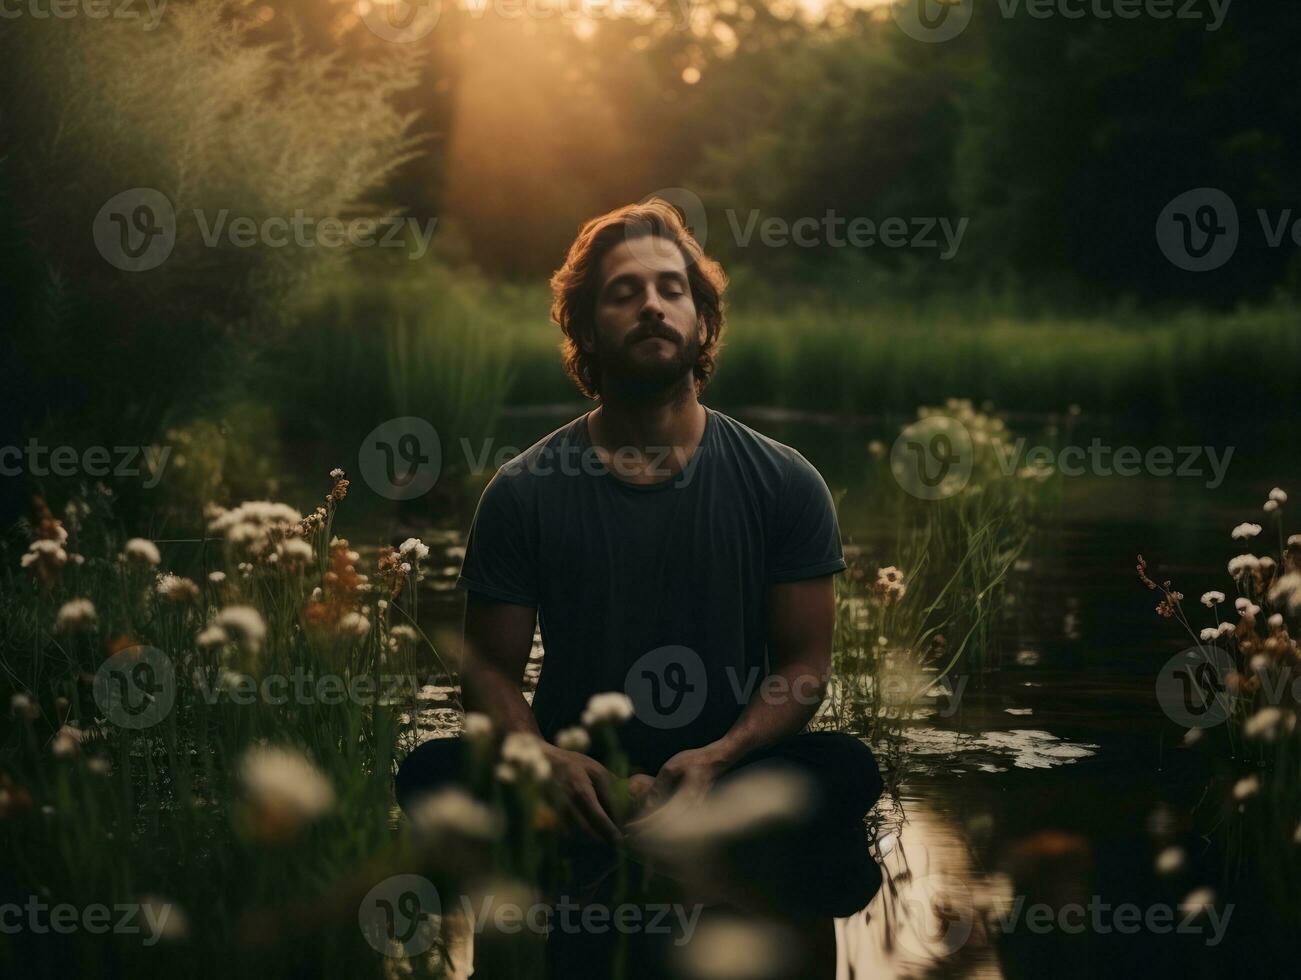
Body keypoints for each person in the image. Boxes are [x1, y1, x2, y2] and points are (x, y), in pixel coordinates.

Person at [396, 199, 883, 976]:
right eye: (624, 292)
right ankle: (621, 862)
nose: (651, 304)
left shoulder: (786, 481)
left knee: (846, 770)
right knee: (428, 773)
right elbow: (487, 669)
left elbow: (803, 667)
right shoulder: (523, 490)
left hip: (726, 780)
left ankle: (673, 867)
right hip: (576, 784)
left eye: (670, 288)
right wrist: (544, 759)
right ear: (586, 328)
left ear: (701, 320)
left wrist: (717, 758)